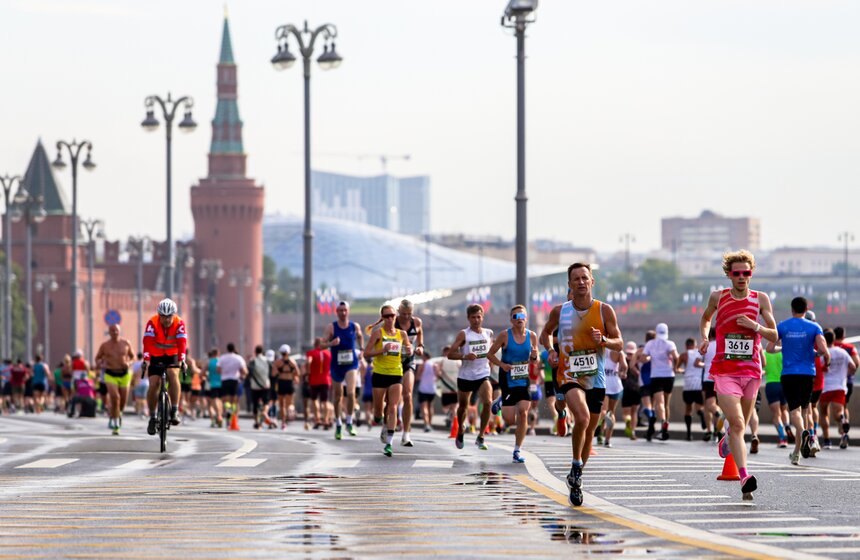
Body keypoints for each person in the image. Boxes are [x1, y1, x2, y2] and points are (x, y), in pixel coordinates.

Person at [541, 263, 623, 507]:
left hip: (596, 378)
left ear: (592, 282)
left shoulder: (604, 310)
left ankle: (576, 476)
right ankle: (576, 464)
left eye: (584, 278)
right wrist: (550, 351)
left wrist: (605, 340)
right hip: (569, 375)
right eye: (575, 278)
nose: (580, 282)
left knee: (590, 432)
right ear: (569, 284)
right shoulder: (560, 311)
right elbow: (546, 333)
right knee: (583, 418)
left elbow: (619, 343)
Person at [699, 250, 778, 500]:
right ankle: (744, 476)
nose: (742, 277)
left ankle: (728, 440)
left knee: (739, 427)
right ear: (729, 275)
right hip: (725, 371)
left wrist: (754, 326)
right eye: (737, 273)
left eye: (746, 273)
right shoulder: (718, 297)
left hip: (751, 371)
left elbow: (774, 335)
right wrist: (704, 337)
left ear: (751, 274)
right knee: (738, 424)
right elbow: (705, 319)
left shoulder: (761, 299)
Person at [768, 297, 828, 465]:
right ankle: (797, 450)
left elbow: (770, 348)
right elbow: (822, 350)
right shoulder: (814, 327)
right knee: (806, 411)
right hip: (808, 374)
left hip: (788, 375)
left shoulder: (782, 326)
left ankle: (800, 436)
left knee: (794, 412)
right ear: (806, 308)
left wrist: (783, 347)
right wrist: (815, 353)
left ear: (792, 309)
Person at [487, 305, 539, 463]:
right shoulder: (504, 335)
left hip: (523, 378)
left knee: (523, 412)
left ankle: (517, 450)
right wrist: (502, 365)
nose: (519, 319)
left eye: (522, 316)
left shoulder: (532, 336)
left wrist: (535, 357)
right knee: (509, 420)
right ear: (511, 320)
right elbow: (489, 354)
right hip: (507, 377)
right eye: (516, 317)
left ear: (526, 318)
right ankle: (501, 400)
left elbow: (534, 359)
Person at [364, 304, 412, 457]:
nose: (390, 318)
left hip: (396, 373)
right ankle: (379, 419)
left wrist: (410, 350)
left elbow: (408, 349)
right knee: (379, 411)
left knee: (392, 407)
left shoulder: (402, 334)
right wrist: (381, 351)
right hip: (379, 373)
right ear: (382, 318)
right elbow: (367, 353)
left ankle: (389, 443)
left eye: (392, 315)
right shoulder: (378, 333)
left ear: (395, 316)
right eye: (387, 316)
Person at [446, 304, 494, 451]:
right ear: (468, 318)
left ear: (482, 317)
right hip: (466, 376)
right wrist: (465, 356)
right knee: (462, 407)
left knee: (488, 402)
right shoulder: (464, 334)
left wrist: (491, 364)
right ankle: (461, 428)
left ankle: (481, 436)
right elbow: (450, 354)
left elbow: (490, 352)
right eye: (473, 317)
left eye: (478, 317)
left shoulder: (488, 333)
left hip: (483, 374)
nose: (476, 320)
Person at [142, 298, 188, 435]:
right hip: (156, 355)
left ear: (174, 315)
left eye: (169, 317)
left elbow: (182, 343)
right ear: (159, 315)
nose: (166, 320)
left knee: (173, 374)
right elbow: (147, 342)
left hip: (172, 354)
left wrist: (182, 360)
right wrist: (146, 360)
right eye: (163, 317)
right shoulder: (152, 322)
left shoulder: (179, 323)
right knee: (154, 383)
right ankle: (152, 416)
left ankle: (174, 410)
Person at [321, 301, 364, 440]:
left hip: (351, 364)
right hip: (336, 365)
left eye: (345, 310)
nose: (343, 313)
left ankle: (349, 422)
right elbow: (321, 344)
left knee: (351, 393)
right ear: (337, 312)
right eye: (340, 310)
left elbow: (360, 336)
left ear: (348, 311)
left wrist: (362, 349)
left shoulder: (354, 326)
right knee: (338, 395)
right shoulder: (331, 327)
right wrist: (330, 344)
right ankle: (339, 423)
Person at [94, 324, 136, 435]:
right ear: (109, 332)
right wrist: (100, 363)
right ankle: (116, 424)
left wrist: (129, 363)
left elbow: (133, 357)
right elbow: (97, 358)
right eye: (112, 331)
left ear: (119, 331)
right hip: (110, 373)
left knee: (122, 401)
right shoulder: (105, 345)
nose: (114, 332)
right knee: (115, 397)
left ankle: (118, 414)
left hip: (124, 374)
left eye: (116, 330)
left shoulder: (126, 343)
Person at [640, 323, 679, 441]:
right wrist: (675, 367)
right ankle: (665, 425)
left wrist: (649, 358)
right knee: (666, 403)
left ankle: (662, 421)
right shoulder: (670, 343)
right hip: (669, 375)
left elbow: (643, 358)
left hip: (656, 376)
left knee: (659, 403)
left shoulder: (650, 344)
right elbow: (676, 357)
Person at [819, 329, 856, 449]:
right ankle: (842, 420)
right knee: (839, 412)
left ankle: (827, 440)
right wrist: (846, 374)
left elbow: (819, 369)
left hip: (825, 387)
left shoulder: (822, 354)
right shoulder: (843, 352)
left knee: (824, 413)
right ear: (834, 339)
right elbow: (853, 366)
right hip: (840, 387)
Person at [394, 299, 424, 447]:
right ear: (399, 312)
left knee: (407, 394)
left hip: (409, 361)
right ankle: (387, 426)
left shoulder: (416, 322)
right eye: (404, 314)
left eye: (409, 314)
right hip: (392, 362)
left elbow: (420, 338)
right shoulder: (392, 322)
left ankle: (406, 434)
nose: (407, 317)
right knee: (391, 399)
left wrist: (420, 347)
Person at [678, 337, 706, 441]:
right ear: (695, 345)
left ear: (686, 346)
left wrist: (682, 371)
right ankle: (702, 415)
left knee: (688, 409)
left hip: (688, 385)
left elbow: (677, 368)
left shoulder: (684, 355)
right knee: (699, 407)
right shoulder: (700, 353)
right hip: (698, 384)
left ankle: (689, 434)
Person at [600, 344, 627, 448]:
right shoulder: (618, 351)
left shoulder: (600, 347)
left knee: (603, 411)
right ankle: (607, 440)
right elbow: (624, 366)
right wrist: (623, 373)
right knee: (611, 412)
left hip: (603, 384)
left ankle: (598, 431)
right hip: (616, 385)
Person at [763, 344, 789, 447]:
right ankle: (787, 426)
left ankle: (782, 438)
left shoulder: (765, 353)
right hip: (784, 384)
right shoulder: (784, 353)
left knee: (776, 414)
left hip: (771, 384)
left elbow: (763, 367)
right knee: (784, 410)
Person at [217, 342, 248, 426]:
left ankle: (227, 411)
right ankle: (233, 417)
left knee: (225, 400)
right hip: (235, 380)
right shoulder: (238, 358)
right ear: (234, 349)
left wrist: (225, 372)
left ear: (227, 349)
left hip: (225, 380)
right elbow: (244, 371)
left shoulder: (222, 358)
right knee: (234, 401)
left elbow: (218, 370)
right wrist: (241, 375)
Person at [834, 327, 859, 424]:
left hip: (831, 384)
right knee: (844, 406)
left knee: (830, 409)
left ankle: (841, 422)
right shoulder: (850, 348)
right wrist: (848, 373)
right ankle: (845, 429)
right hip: (848, 382)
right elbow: (856, 362)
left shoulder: (830, 347)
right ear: (844, 336)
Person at [306, 338, 332, 429]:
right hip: (326, 380)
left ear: (315, 344)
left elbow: (309, 361)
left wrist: (308, 372)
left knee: (314, 400)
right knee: (325, 401)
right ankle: (326, 420)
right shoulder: (329, 353)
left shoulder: (311, 353)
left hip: (314, 380)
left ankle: (317, 420)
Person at [248, 345, 275, 429]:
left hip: (255, 386)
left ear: (255, 352)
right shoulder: (267, 361)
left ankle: (256, 422)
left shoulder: (253, 361)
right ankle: (264, 412)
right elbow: (272, 373)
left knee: (255, 404)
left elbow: (250, 373)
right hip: (265, 385)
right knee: (266, 402)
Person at [273, 344, 299, 430]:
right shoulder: (293, 362)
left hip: (281, 382)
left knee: (281, 404)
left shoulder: (277, 362)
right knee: (289, 404)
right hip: (289, 382)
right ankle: (291, 412)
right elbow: (297, 373)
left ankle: (283, 422)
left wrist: (280, 372)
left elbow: (273, 374)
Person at [620, 341, 641, 440]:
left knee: (626, 412)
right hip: (637, 388)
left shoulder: (622, 360)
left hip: (626, 388)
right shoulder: (638, 361)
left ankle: (627, 421)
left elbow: (619, 373)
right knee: (635, 412)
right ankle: (633, 431)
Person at [416, 351, 440, 432]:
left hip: (423, 388)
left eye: (422, 356)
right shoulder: (435, 365)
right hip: (432, 388)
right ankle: (429, 423)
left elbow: (418, 377)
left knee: (424, 407)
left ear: (426, 357)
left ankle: (426, 424)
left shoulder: (422, 365)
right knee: (430, 407)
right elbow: (438, 376)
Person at [205, 348, 223, 427]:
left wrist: (206, 375)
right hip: (222, 383)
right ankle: (220, 416)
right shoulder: (221, 361)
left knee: (213, 401)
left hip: (212, 384)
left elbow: (202, 373)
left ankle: (217, 416)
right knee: (219, 400)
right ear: (218, 353)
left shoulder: (209, 362)